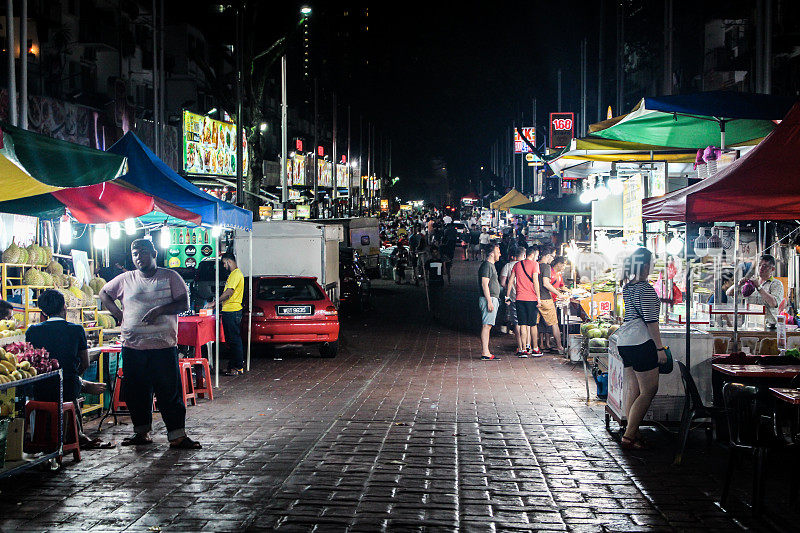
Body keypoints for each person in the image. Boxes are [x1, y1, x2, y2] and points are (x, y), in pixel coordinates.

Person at [100, 238, 201, 449]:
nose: (138, 257)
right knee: (137, 392)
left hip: (163, 347)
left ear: (154, 253)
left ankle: (177, 436)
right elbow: (104, 293)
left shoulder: (170, 276)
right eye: (135, 253)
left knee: (169, 393)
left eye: (143, 252)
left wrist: (160, 310)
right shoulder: (126, 279)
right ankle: (142, 433)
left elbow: (184, 302)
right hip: (133, 347)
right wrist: (119, 314)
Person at [27, 289, 109, 448]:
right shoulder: (76, 330)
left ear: (43, 311)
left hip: (40, 388)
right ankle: (74, 435)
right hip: (69, 387)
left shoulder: (32, 330)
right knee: (70, 387)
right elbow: (85, 363)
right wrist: (74, 377)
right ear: (64, 307)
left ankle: (42, 438)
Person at [615, 247, 667, 450]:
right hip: (640, 342)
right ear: (646, 265)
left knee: (633, 389)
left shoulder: (628, 287)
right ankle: (629, 436)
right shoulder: (645, 289)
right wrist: (659, 348)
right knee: (649, 390)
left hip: (625, 341)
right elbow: (651, 321)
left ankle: (632, 431)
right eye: (652, 263)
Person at [205, 251, 245, 375]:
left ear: (229, 261)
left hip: (232, 311)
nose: (223, 266)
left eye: (224, 263)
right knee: (231, 341)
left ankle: (237, 367)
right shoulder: (234, 274)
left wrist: (214, 303)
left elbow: (229, 292)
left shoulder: (235, 274)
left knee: (234, 340)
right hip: (230, 310)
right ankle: (232, 366)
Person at [726, 253, 783, 328]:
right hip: (749, 326)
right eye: (759, 265)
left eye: (764, 266)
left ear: (772, 269)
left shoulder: (776, 284)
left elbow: (773, 303)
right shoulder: (750, 283)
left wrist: (759, 287)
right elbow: (729, 293)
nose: (761, 268)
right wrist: (739, 284)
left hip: (768, 327)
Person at [508, 246, 541, 357]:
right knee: (532, 325)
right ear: (533, 254)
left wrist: (507, 296)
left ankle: (522, 350)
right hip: (531, 299)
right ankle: (535, 348)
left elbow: (511, 280)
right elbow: (536, 282)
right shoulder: (535, 265)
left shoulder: (517, 265)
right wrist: (539, 298)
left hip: (519, 298)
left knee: (522, 324)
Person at [536, 245, 565, 355]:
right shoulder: (546, 267)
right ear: (547, 256)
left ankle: (533, 346)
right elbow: (546, 284)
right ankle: (559, 346)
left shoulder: (535, 265)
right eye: (552, 257)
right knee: (554, 323)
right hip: (546, 299)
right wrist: (558, 294)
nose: (552, 259)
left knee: (534, 324)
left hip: (535, 298)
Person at [478, 243, 502, 360]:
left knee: (488, 325)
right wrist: (489, 301)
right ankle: (485, 352)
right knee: (486, 325)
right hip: (489, 298)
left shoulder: (490, 266)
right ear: (492, 253)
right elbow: (484, 284)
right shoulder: (487, 266)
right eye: (498, 252)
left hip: (492, 298)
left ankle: (486, 351)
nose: (500, 254)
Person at [501, 247, 526, 347]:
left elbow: (502, 283)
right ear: (524, 255)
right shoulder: (527, 265)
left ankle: (520, 345)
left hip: (513, 298)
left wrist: (509, 290)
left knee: (516, 322)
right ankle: (527, 345)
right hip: (526, 297)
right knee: (526, 323)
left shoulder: (508, 266)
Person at [425, 245, 445, 320]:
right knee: (433, 298)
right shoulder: (428, 262)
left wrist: (444, 264)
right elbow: (426, 273)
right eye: (433, 252)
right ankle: (434, 312)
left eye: (436, 252)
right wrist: (426, 282)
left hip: (439, 281)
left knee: (438, 298)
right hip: (432, 282)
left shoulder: (440, 261)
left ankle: (437, 312)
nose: (434, 254)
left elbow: (444, 272)